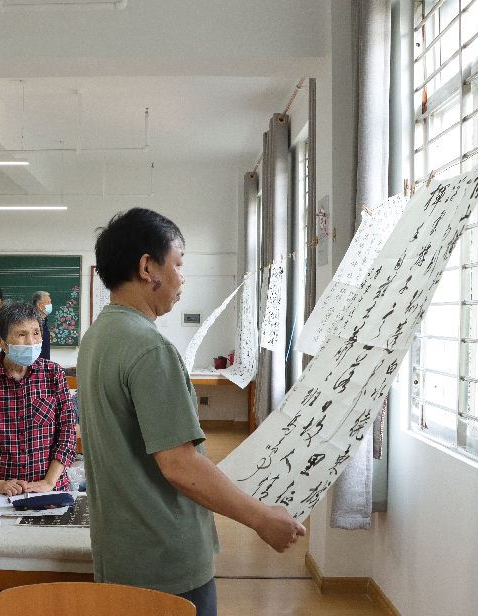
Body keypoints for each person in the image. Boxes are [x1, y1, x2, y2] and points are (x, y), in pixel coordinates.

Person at [78, 208, 305, 616]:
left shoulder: (97, 337)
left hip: (119, 553)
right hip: (165, 560)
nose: (183, 278)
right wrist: (262, 519)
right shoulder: (150, 348)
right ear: (148, 267)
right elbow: (180, 465)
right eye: (178, 264)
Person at [0, 301, 76, 496]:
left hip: (48, 490)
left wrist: (48, 482)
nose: (31, 342)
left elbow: (67, 435)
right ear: (0, 341)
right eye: (21, 335)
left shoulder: (54, 375)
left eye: (36, 333)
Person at [32, 290, 52, 361]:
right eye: (48, 303)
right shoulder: (33, 322)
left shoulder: (44, 321)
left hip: (45, 363)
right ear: (39, 305)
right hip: (36, 364)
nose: (50, 305)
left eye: (50, 302)